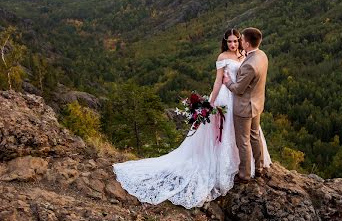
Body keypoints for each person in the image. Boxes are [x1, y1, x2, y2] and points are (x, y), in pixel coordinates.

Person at [113, 28, 271, 209]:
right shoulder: (227, 58)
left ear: (244, 43)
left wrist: (230, 83)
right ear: (225, 42)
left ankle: (247, 168)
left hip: (241, 101)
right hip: (229, 99)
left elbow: (242, 83)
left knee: (244, 137)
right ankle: (244, 168)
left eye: (237, 40)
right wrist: (210, 104)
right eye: (230, 41)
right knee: (236, 136)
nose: (234, 44)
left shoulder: (247, 57)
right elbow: (219, 82)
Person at [223, 27, 268, 184]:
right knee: (255, 135)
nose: (239, 41)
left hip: (244, 107)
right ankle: (260, 167)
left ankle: (245, 174)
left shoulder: (249, 65)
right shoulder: (262, 55)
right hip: (257, 104)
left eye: (241, 39)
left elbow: (238, 89)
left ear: (247, 44)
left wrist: (227, 81)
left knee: (243, 140)